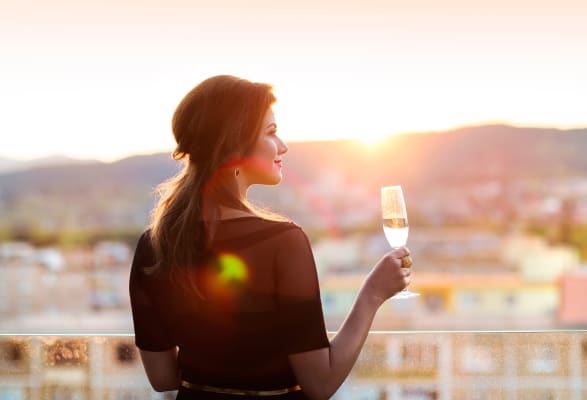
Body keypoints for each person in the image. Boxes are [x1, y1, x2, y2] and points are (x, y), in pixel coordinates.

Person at [129, 75, 412, 400]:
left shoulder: (153, 244)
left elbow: (163, 378)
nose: (283, 146)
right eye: (271, 132)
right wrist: (372, 295)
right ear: (234, 144)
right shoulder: (283, 242)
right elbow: (321, 384)